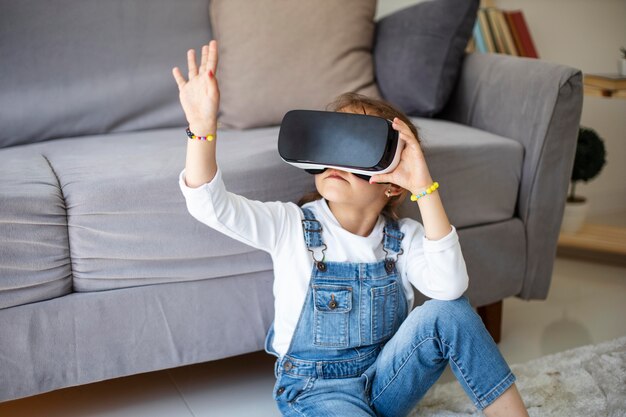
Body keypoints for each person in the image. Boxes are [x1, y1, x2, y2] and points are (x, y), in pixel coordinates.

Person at [172, 40, 529, 417]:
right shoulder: (290, 226)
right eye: (332, 141)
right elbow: (209, 206)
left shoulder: (403, 239)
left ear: (392, 183)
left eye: (357, 146)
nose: (336, 160)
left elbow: (450, 287)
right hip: (315, 391)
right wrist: (201, 129)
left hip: (386, 382)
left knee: (450, 310)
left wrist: (423, 186)